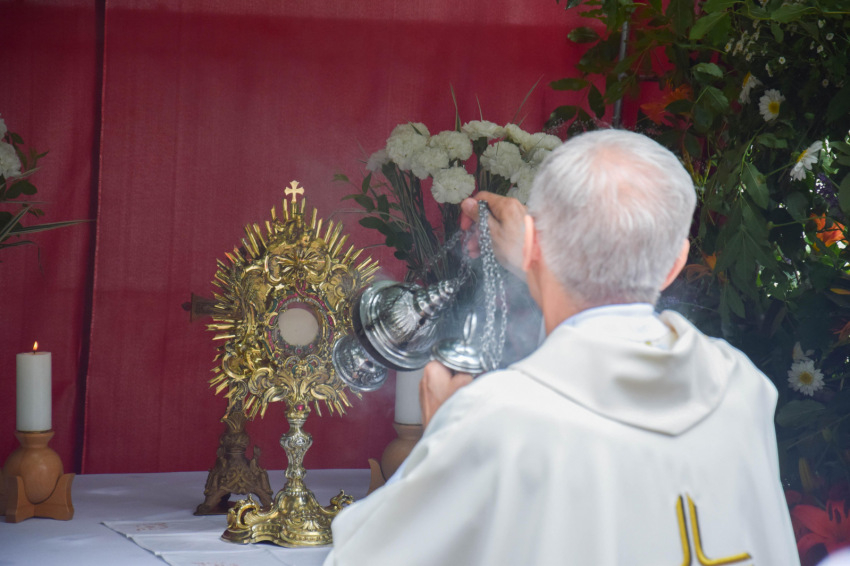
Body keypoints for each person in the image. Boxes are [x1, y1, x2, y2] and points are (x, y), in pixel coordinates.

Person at [323, 129, 800, 565]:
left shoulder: (493, 419)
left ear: (533, 242)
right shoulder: (740, 386)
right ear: (676, 264)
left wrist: (444, 438)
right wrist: (532, 258)